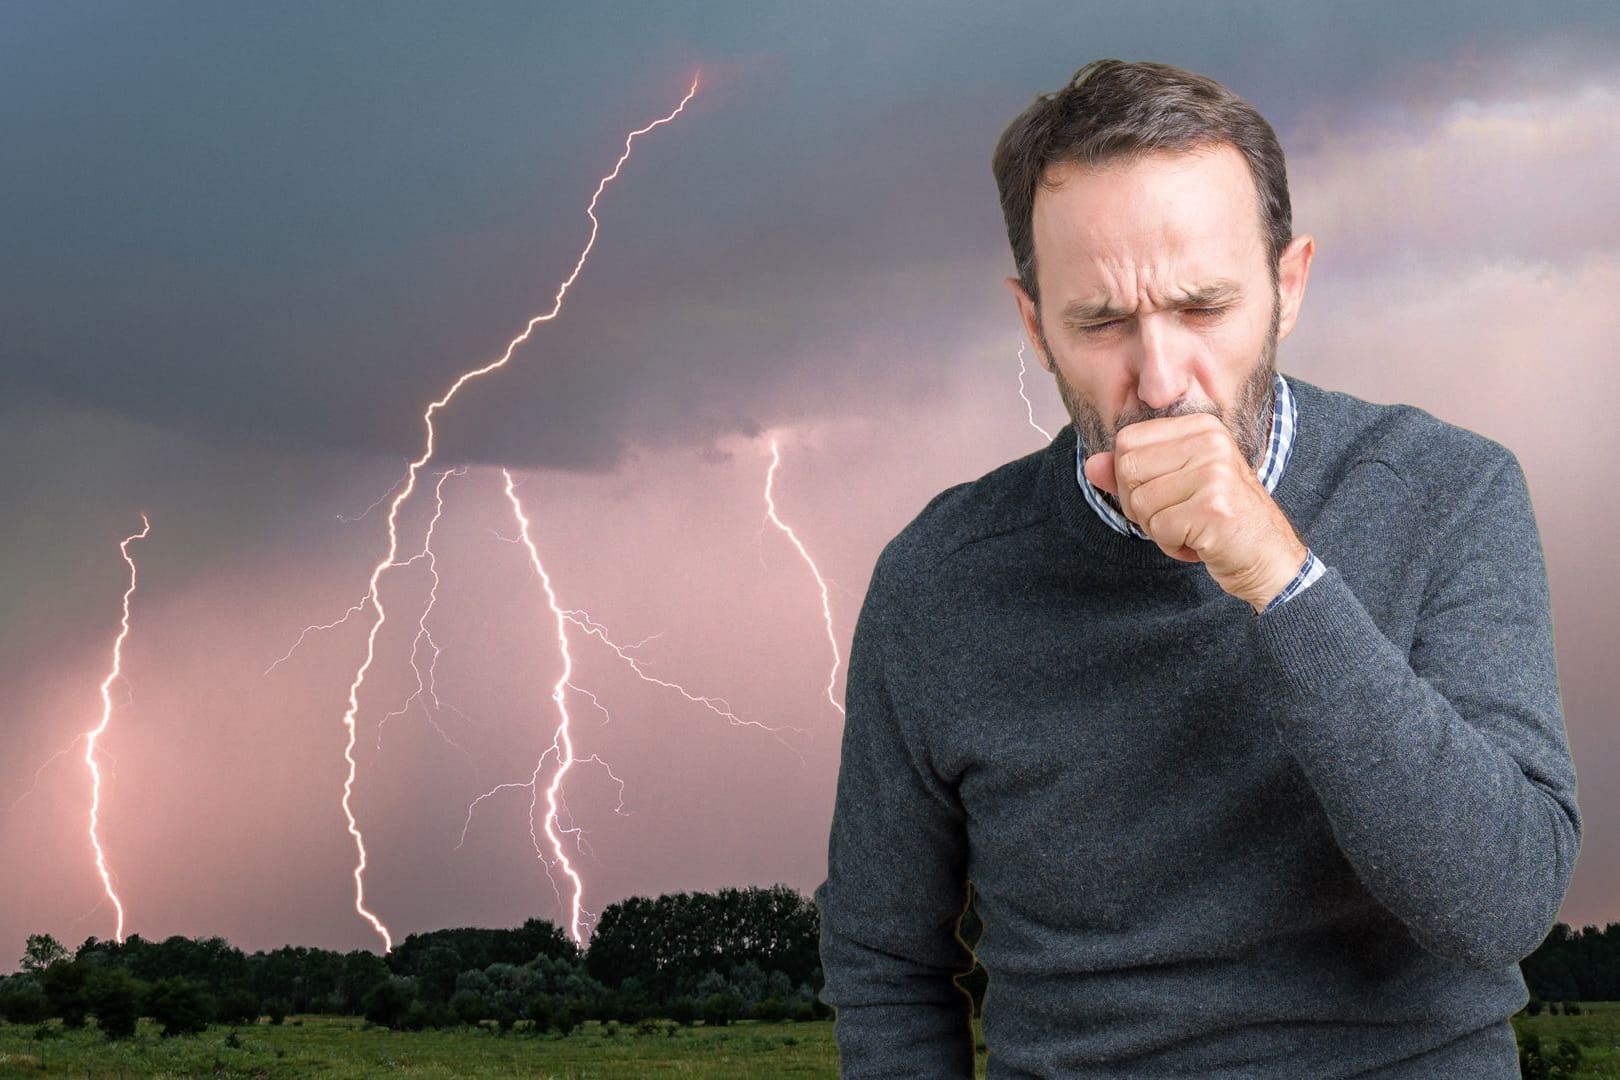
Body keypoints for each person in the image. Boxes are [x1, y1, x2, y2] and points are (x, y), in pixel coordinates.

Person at [812, 58, 1582, 1078]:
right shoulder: (936, 582)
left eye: (1203, 308)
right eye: (1101, 323)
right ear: (1034, 323)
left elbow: (1503, 904)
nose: (1162, 379)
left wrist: (1280, 575)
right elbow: (883, 963)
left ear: (1288, 285)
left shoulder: (1452, 493)